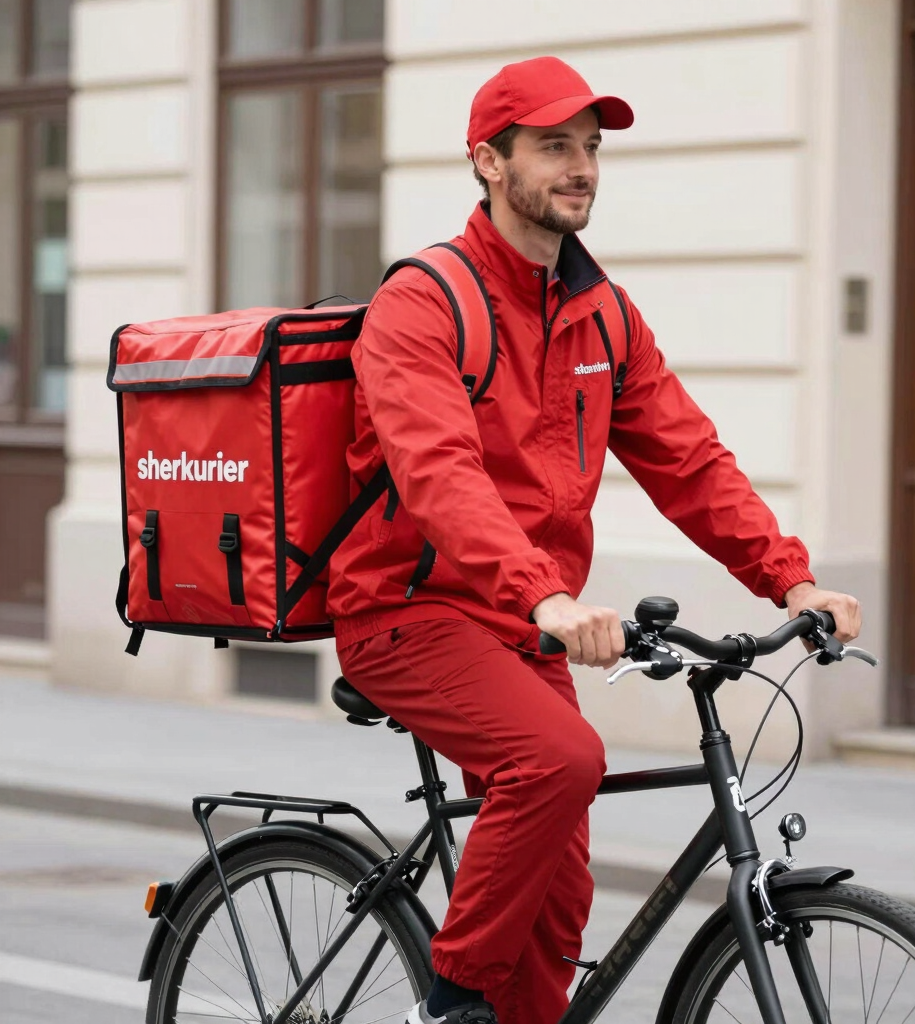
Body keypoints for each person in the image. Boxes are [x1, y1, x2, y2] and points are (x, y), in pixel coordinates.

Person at [328, 55, 862, 1024]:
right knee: (560, 761)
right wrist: (545, 594)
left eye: (589, 148)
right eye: (552, 147)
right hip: (407, 611)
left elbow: (688, 460)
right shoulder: (424, 300)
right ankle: (445, 1006)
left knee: (560, 887)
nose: (579, 168)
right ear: (489, 161)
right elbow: (438, 472)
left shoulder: (601, 312)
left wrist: (790, 581)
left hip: (521, 625)